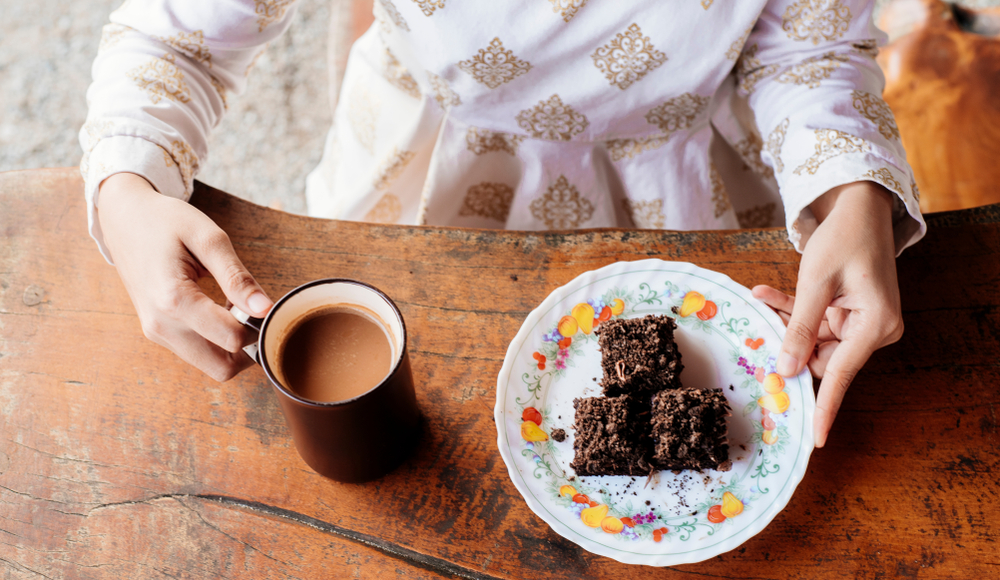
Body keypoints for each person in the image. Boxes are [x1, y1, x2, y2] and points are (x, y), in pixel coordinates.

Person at [81, 0, 925, 449]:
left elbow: (808, 52)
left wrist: (852, 191)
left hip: (693, 174)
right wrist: (126, 191)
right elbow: (176, 42)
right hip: (432, 172)